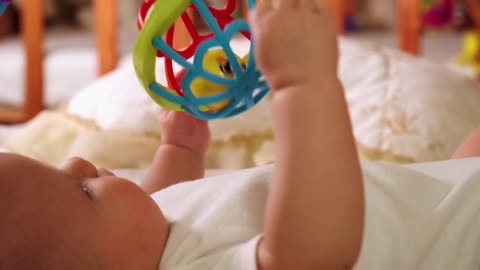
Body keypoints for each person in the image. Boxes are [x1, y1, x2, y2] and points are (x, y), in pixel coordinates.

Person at [1, 0, 480, 269]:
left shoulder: (145, 242)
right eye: (83, 192)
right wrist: (303, 84)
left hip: (434, 193)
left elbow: (161, 204)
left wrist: (180, 148)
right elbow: (309, 256)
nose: (78, 162)